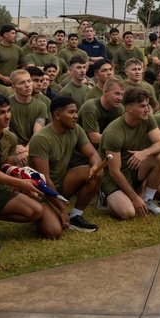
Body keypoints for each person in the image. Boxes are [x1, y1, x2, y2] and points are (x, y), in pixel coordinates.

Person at [0, 93, 62, 239]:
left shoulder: (10, 137)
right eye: (1, 113)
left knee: (36, 210)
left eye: (8, 111)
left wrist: (23, 174)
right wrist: (20, 183)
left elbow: (6, 166)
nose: (7, 116)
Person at [28, 96, 104, 233]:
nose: (76, 116)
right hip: (42, 192)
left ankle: (75, 216)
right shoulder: (41, 138)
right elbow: (44, 180)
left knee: (98, 171)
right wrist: (62, 208)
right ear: (57, 115)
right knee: (53, 232)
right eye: (71, 112)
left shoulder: (75, 129)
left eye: (76, 112)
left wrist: (94, 167)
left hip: (60, 185)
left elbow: (93, 154)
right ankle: (46, 211)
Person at [99, 87, 160, 217]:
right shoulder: (113, 133)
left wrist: (144, 153)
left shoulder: (147, 119)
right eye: (142, 106)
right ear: (129, 109)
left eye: (147, 105)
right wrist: (134, 198)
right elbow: (114, 172)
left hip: (133, 167)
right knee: (128, 212)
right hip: (114, 177)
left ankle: (148, 200)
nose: (147, 109)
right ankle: (105, 195)